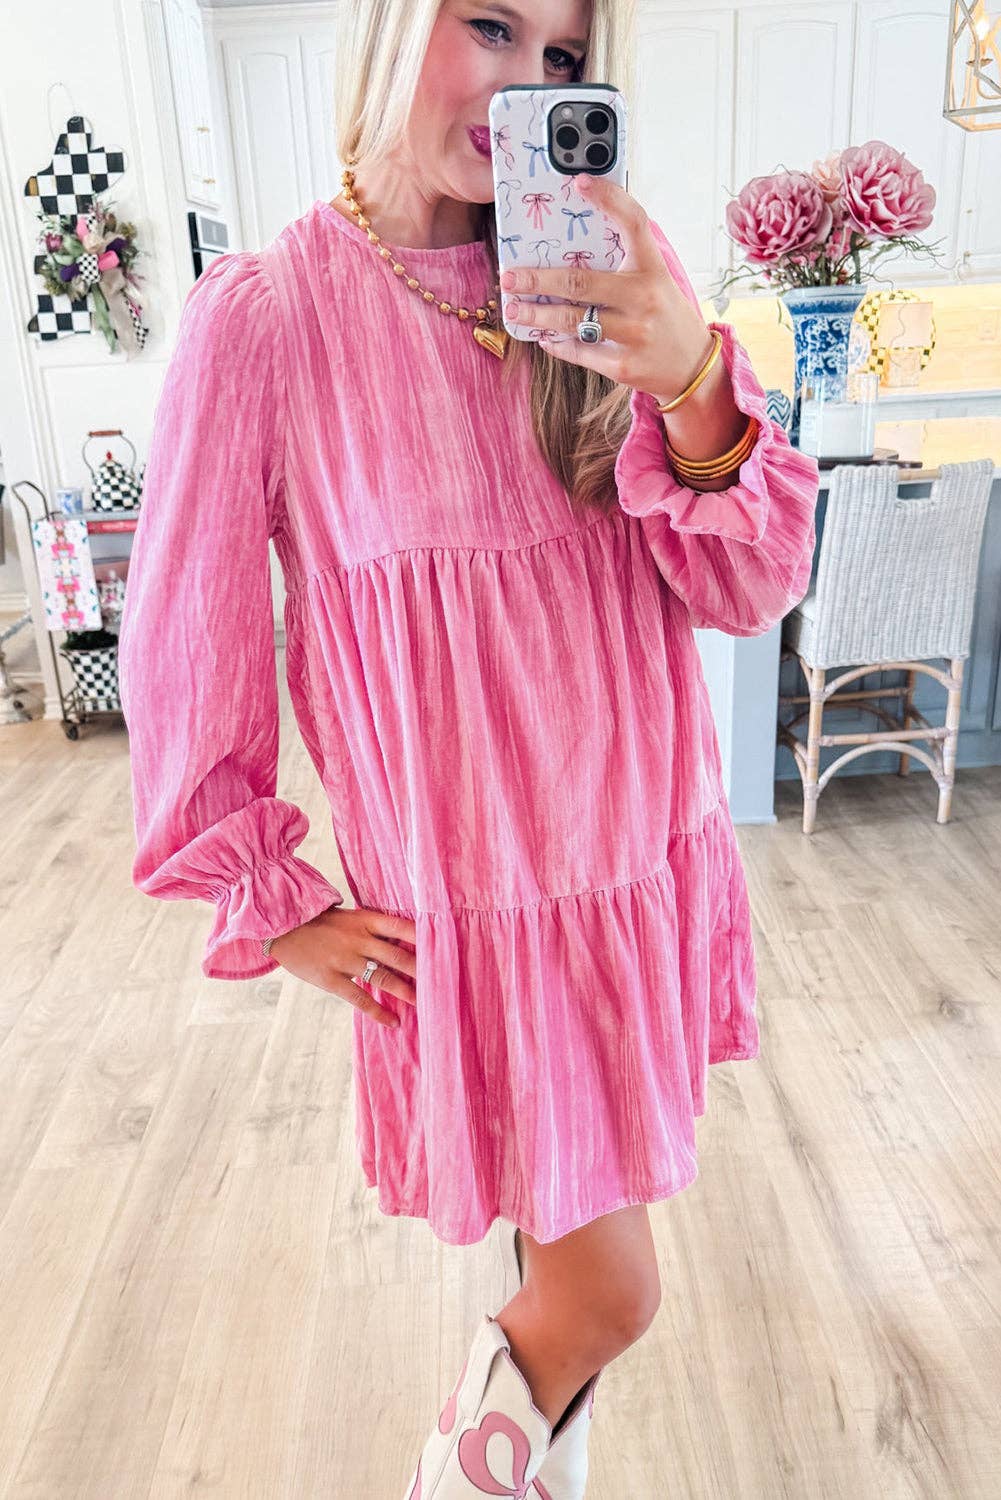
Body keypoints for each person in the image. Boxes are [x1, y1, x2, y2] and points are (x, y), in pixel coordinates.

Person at [116, 1, 820, 1494]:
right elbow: (187, 628)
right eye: (488, 26)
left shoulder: (602, 271)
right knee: (606, 1297)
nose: (522, 85)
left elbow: (745, 584)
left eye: (561, 58)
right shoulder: (269, 316)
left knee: (566, 1261)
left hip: (637, 877)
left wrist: (692, 376)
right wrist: (268, 895)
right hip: (478, 919)